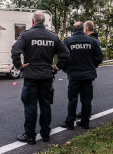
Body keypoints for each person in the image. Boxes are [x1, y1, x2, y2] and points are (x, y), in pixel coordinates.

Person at [11, 10, 70, 145]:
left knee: (30, 106)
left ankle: (30, 135)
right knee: (45, 105)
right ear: (43, 22)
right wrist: (57, 67)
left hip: (31, 76)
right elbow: (65, 54)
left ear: (33, 22)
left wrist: (19, 65)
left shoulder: (26, 36)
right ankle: (45, 134)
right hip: (46, 76)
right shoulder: (53, 37)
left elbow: (15, 50)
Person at [60, 22, 103, 130]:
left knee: (72, 99)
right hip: (88, 76)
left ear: (73, 29)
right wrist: (92, 66)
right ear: (83, 28)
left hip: (74, 75)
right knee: (86, 100)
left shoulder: (68, 42)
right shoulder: (92, 41)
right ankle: (85, 122)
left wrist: (67, 69)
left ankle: (70, 122)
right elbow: (99, 58)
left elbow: (62, 58)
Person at [76, 20, 100, 118]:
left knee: (84, 93)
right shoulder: (96, 39)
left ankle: (86, 111)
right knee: (86, 93)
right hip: (90, 69)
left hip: (85, 68)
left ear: (86, 28)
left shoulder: (91, 39)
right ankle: (86, 110)